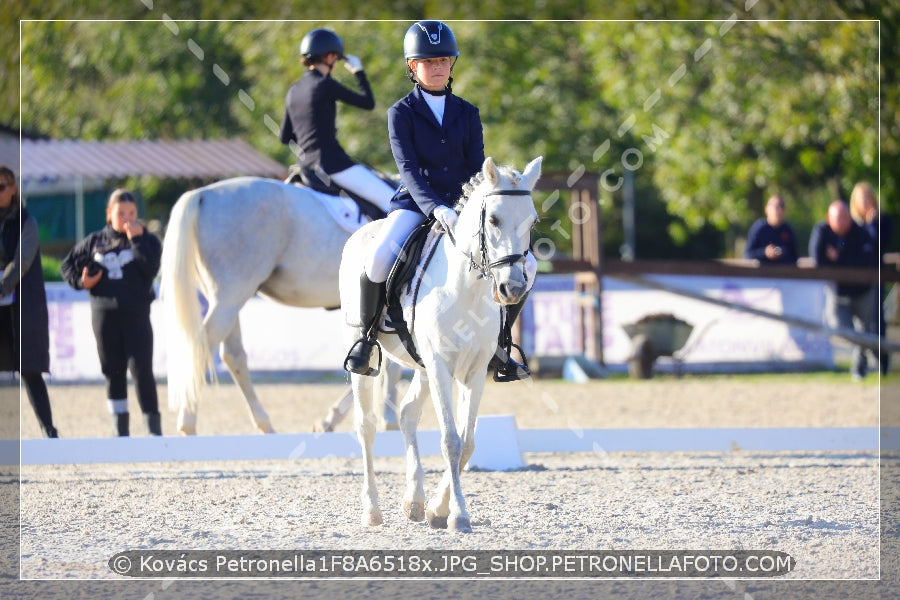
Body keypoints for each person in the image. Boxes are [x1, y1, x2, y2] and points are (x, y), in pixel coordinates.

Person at [343, 20, 536, 382]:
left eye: (443, 61)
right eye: (428, 62)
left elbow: (477, 169)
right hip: (417, 202)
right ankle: (368, 341)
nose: (436, 68)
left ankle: (499, 344)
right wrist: (436, 208)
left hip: (464, 207)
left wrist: (467, 208)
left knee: (528, 265)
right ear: (413, 67)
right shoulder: (400, 113)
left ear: (451, 65)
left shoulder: (468, 112)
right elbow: (409, 170)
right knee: (380, 258)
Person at [61, 189, 162, 436]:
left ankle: (154, 432)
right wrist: (81, 282)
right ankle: (121, 432)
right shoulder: (94, 241)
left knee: (142, 371)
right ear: (109, 214)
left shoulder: (148, 240)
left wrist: (136, 240)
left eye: (132, 213)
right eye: (120, 213)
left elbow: (150, 269)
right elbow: (67, 266)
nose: (127, 218)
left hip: (136, 316)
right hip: (104, 316)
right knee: (113, 372)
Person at [279, 27, 396, 214]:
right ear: (331, 57)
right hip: (333, 165)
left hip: (304, 167)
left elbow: (285, 137)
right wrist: (358, 72)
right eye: (336, 59)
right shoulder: (325, 84)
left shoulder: (294, 90)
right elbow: (368, 102)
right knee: (394, 202)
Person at [0, 165, 58, 438]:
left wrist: (1, 286)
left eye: (1, 187)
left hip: (20, 306)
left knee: (30, 371)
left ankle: (50, 432)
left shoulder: (27, 222)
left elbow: (21, 262)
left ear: (13, 189)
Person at [808, 200, 878, 381]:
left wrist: (838, 257)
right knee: (840, 329)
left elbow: (864, 261)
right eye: (837, 218)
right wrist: (844, 260)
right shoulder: (822, 231)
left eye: (845, 217)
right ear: (829, 219)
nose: (842, 221)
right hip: (837, 292)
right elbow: (817, 260)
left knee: (865, 330)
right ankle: (868, 353)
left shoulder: (861, 233)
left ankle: (859, 367)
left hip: (862, 291)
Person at [850, 181, 893, 374]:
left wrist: (872, 224)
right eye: (862, 199)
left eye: (869, 198)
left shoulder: (882, 221)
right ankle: (860, 364)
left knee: (877, 320)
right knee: (860, 323)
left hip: (875, 278)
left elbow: (876, 245)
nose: (866, 202)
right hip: (856, 280)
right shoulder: (851, 224)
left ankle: (882, 362)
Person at [744, 194, 798, 264]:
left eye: (782, 206)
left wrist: (781, 255)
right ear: (766, 209)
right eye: (776, 207)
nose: (779, 210)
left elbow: (795, 258)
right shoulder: (759, 228)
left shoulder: (788, 230)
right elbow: (748, 255)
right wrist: (765, 253)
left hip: (782, 273)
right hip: (761, 273)